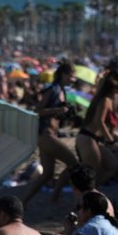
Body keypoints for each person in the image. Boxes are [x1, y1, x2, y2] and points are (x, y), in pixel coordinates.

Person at [22, 63, 80, 207]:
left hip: (48, 134)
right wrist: (57, 110)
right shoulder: (53, 90)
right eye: (71, 76)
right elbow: (36, 111)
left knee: (47, 174)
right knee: (74, 163)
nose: (74, 79)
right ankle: (55, 196)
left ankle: (23, 202)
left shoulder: (61, 90)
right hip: (46, 134)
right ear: (63, 75)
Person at [76, 70, 118, 186]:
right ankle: (86, 194)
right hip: (88, 138)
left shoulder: (108, 99)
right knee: (93, 173)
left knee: (113, 166)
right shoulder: (104, 100)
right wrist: (111, 141)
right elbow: (99, 121)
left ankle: (89, 190)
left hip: (94, 139)